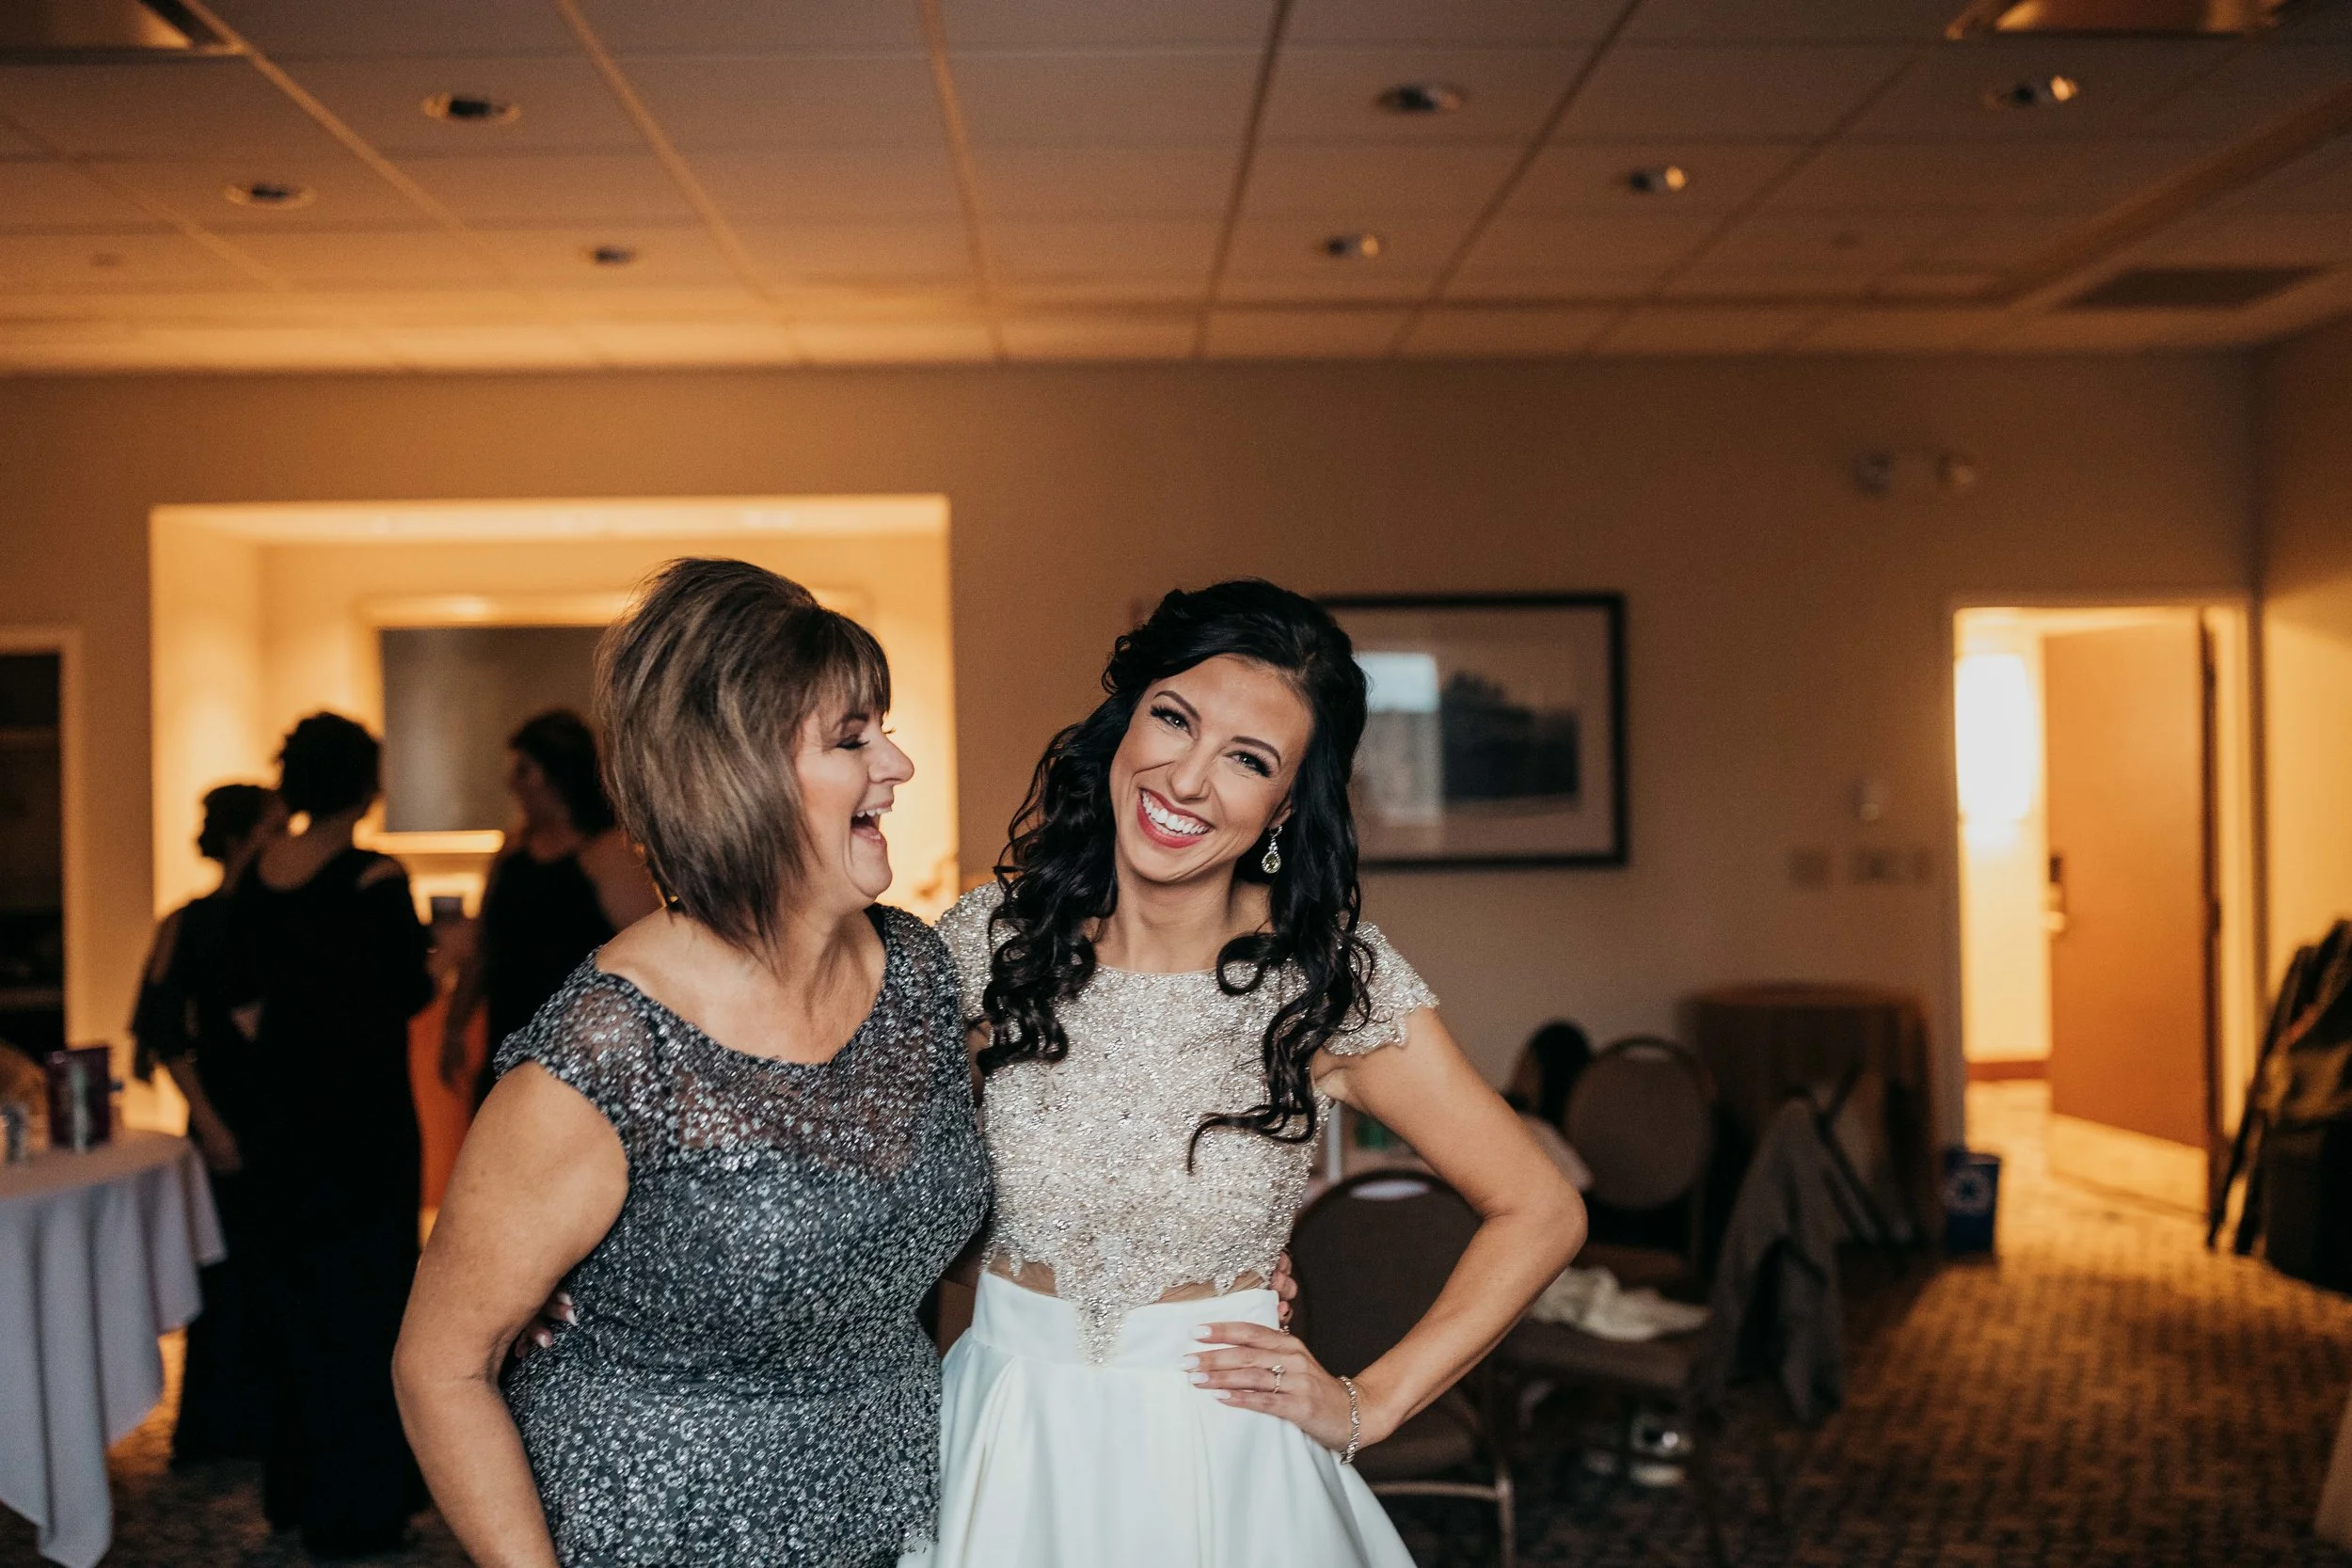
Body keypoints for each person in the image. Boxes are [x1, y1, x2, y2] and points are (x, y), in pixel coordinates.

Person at [912, 581, 1588, 1567]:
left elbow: (1541, 1207)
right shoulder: (989, 945)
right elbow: (902, 1201)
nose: (1187, 779)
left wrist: (1369, 1402)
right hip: (1003, 1430)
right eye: (1174, 718)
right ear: (1126, 719)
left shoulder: (1325, 986)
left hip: (1221, 1457)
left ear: (1286, 804)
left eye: (1248, 759)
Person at [394, 559, 990, 1567]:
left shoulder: (919, 973)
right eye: (852, 739)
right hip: (660, 1531)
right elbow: (439, 1368)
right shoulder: (613, 1048)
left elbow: (940, 1226)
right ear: (738, 774)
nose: (897, 763)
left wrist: (1209, 1260)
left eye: (882, 729)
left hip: (898, 1520)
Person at [227, 714, 436, 1555]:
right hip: (363, 1122)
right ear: (365, 783)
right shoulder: (374, 877)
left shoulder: (257, 874)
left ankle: (298, 1489)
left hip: (282, 1118)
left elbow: (238, 1000)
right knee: (368, 1303)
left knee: (296, 1301)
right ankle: (362, 1507)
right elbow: (407, 991)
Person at [130, 782, 286, 1464]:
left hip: (283, 1113)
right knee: (225, 1270)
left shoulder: (285, 916)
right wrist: (209, 1121)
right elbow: (164, 1032)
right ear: (241, 838)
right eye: (274, 828)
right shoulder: (189, 922)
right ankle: (220, 1427)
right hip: (224, 1108)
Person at [437, 710, 661, 1106]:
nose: (512, 784)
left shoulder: (607, 854)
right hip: (511, 1041)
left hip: (584, 1053)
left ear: (557, 775)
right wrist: (455, 1025)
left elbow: (649, 958)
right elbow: (483, 949)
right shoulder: (511, 851)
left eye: (524, 770)